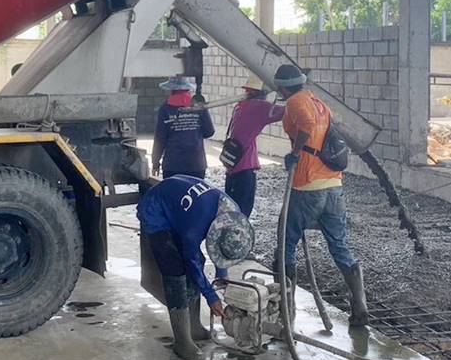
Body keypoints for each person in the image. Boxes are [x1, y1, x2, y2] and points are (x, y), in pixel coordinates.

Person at [273, 64, 368, 326]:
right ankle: (360, 305)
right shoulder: (317, 101)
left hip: (307, 185)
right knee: (339, 246)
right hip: (333, 186)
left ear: (282, 87)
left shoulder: (295, 101)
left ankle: (285, 308)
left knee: (285, 242)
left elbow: (306, 125)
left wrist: (295, 152)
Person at [137, 175, 253, 360]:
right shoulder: (195, 229)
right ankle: (182, 340)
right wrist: (211, 297)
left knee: (197, 259)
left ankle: (194, 326)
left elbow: (221, 246)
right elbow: (191, 262)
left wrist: (222, 275)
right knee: (174, 268)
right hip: (155, 209)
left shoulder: (232, 213)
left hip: (179, 205)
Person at [222, 76, 285, 217]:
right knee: (243, 212)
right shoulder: (258, 107)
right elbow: (286, 111)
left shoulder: (239, 106)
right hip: (245, 168)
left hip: (232, 166)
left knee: (232, 211)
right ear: (261, 93)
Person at [151, 77, 214, 179]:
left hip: (173, 165)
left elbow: (160, 138)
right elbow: (209, 132)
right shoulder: (198, 107)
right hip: (196, 164)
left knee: (174, 190)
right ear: (188, 89)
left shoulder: (165, 109)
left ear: (171, 90)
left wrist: (155, 162)